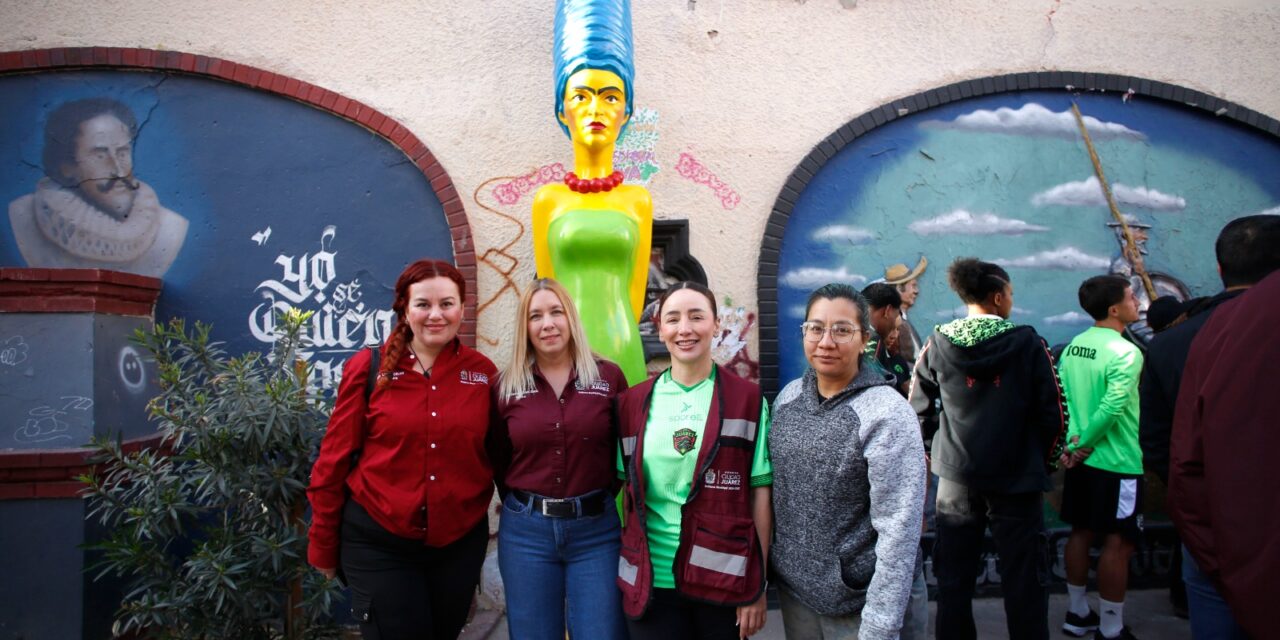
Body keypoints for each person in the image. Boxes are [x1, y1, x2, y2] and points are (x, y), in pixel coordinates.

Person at [307, 259, 497, 640]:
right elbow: (333, 461)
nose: (436, 315)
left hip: (457, 545)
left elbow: (498, 455)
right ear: (404, 310)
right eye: (423, 304)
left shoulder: (483, 373)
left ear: (462, 308)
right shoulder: (369, 367)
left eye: (447, 303)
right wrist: (324, 545)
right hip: (379, 541)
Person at [908, 257, 1067, 640]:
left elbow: (916, 409)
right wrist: (1041, 462)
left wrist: (938, 456)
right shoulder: (1029, 342)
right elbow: (1055, 415)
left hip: (956, 481)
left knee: (954, 579)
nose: (1011, 300)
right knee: (1025, 579)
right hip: (1018, 480)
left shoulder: (938, 342)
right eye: (1010, 293)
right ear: (997, 298)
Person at [1139, 214, 1280, 636]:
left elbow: (1159, 441)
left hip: (1208, 526)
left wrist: (1191, 508)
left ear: (1220, 269)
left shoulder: (1172, 342)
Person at [615, 281, 772, 640]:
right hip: (650, 584)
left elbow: (759, 495)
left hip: (723, 585)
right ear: (660, 329)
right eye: (673, 319)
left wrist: (757, 585)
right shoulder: (630, 404)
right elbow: (625, 494)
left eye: (696, 316)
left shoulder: (747, 400)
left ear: (716, 324)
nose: (684, 329)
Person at [771, 283, 926, 639]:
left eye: (842, 330)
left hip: (861, 603)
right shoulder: (788, 399)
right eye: (815, 328)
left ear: (864, 339)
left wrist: (881, 624)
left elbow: (899, 528)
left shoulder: (887, 414)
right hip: (798, 596)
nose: (826, 341)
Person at [488, 278, 629, 639]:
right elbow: (498, 458)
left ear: (571, 318)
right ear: (526, 327)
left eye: (556, 312)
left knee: (602, 633)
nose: (547, 323)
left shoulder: (607, 377)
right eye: (536, 316)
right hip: (526, 534)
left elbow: (625, 451)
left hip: (596, 532)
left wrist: (596, 494)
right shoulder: (505, 386)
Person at [532, 0, 653, 384]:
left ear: (627, 113)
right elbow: (546, 291)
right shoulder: (548, 201)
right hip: (561, 350)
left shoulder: (637, 201)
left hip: (621, 343)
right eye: (581, 96)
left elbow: (636, 295)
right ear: (561, 110)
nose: (595, 109)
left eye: (610, 96)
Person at [1171, 270, 1280, 640]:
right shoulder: (1126, 351)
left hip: (1213, 523)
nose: (1135, 303)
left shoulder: (1197, 334)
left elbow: (1179, 446)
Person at [8, 97, 188, 278]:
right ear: (67, 167)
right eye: (100, 156)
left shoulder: (169, 227)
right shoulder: (24, 215)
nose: (118, 170)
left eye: (123, 152)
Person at [1057, 276, 1145, 640]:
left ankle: (1077, 614)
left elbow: (1062, 399)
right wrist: (1084, 443)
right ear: (1114, 309)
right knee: (1119, 543)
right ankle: (1110, 628)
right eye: (1130, 296)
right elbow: (1111, 407)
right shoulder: (1128, 351)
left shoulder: (1074, 346)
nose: (1137, 302)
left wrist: (1073, 444)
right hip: (1117, 462)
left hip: (1080, 460)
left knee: (1080, 532)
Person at [861, 282, 912, 396]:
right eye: (894, 317)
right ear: (887, 311)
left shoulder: (846, 330)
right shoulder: (872, 338)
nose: (893, 330)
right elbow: (872, 385)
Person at [882, 256, 928, 365]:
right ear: (899, 289)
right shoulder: (895, 325)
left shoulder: (903, 322)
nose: (916, 291)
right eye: (913, 286)